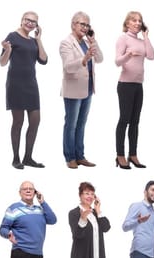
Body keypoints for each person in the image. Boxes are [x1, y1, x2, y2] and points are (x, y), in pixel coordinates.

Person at [0, 11, 48, 169]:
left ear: (37, 25)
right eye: (28, 20)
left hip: (31, 85)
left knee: (35, 121)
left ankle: (28, 157)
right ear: (22, 20)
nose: (30, 23)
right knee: (18, 122)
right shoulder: (12, 36)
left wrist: (39, 39)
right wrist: (7, 50)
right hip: (16, 85)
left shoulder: (34, 41)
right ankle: (16, 158)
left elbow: (44, 60)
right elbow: (2, 62)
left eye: (34, 21)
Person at [60, 11, 103, 169]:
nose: (85, 27)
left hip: (88, 89)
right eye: (82, 24)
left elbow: (100, 59)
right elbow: (68, 67)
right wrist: (84, 59)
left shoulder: (87, 42)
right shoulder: (66, 43)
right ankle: (70, 157)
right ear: (73, 24)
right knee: (71, 125)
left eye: (87, 25)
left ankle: (80, 156)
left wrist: (94, 43)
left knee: (81, 124)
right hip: (73, 89)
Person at [114, 11, 154, 169]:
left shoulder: (141, 40)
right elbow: (117, 62)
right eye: (134, 20)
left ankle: (133, 155)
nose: (137, 23)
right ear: (127, 23)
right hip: (125, 85)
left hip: (138, 85)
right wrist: (128, 55)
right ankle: (120, 155)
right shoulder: (123, 38)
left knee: (135, 122)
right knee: (124, 120)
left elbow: (151, 56)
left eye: (140, 21)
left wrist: (145, 37)